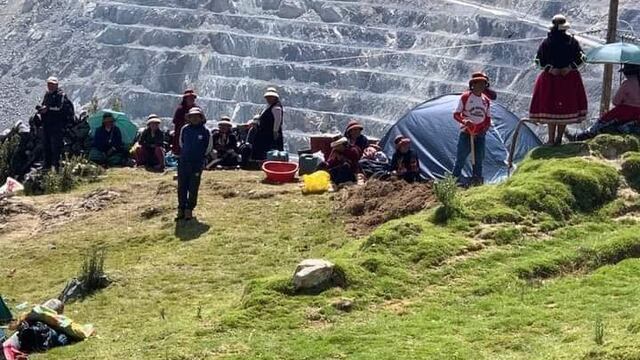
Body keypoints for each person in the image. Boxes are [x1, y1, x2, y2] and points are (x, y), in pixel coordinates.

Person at [529, 14, 587, 146]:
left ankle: (553, 139)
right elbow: (582, 58)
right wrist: (568, 67)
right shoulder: (570, 41)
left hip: (553, 80)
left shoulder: (548, 42)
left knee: (554, 108)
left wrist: (551, 69)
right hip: (566, 79)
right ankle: (556, 139)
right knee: (561, 108)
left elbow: (538, 61)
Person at [567, 63, 640, 141]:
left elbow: (615, 101)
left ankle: (582, 136)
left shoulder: (626, 84)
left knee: (601, 122)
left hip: (624, 112)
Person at [452, 72, 492, 185]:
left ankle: (477, 179)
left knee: (479, 159)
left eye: (483, 84)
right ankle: (454, 179)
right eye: (478, 83)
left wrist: (485, 128)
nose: (481, 86)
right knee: (461, 157)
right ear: (473, 84)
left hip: (480, 134)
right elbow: (456, 114)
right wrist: (465, 121)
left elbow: (488, 118)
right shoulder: (465, 97)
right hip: (466, 132)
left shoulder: (486, 101)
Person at [176, 107, 213, 221]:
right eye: (192, 116)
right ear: (189, 118)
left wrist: (200, 157)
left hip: (197, 163)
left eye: (197, 116)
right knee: (182, 186)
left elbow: (209, 147)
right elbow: (181, 143)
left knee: (193, 187)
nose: (195, 118)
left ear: (201, 118)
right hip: (184, 162)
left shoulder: (206, 131)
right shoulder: (185, 129)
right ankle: (181, 208)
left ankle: (189, 209)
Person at [38, 76, 75, 171]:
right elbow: (44, 105)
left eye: (52, 84)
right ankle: (47, 167)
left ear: (57, 85)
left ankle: (56, 168)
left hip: (57, 125)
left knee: (56, 147)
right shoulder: (47, 95)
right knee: (46, 146)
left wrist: (48, 109)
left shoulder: (61, 95)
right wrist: (41, 109)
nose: (50, 86)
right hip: (47, 125)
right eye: (49, 84)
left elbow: (60, 108)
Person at [253, 87, 284, 160]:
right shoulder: (269, 106)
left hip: (270, 133)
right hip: (264, 132)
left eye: (270, 97)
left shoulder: (276, 108)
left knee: (271, 148)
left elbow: (277, 121)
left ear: (275, 98)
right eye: (267, 97)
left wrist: (275, 132)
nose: (268, 99)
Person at [172, 89, 198, 155]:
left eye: (192, 98)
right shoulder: (180, 109)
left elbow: (203, 120)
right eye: (189, 98)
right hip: (182, 131)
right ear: (185, 99)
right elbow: (175, 121)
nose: (191, 100)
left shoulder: (197, 108)